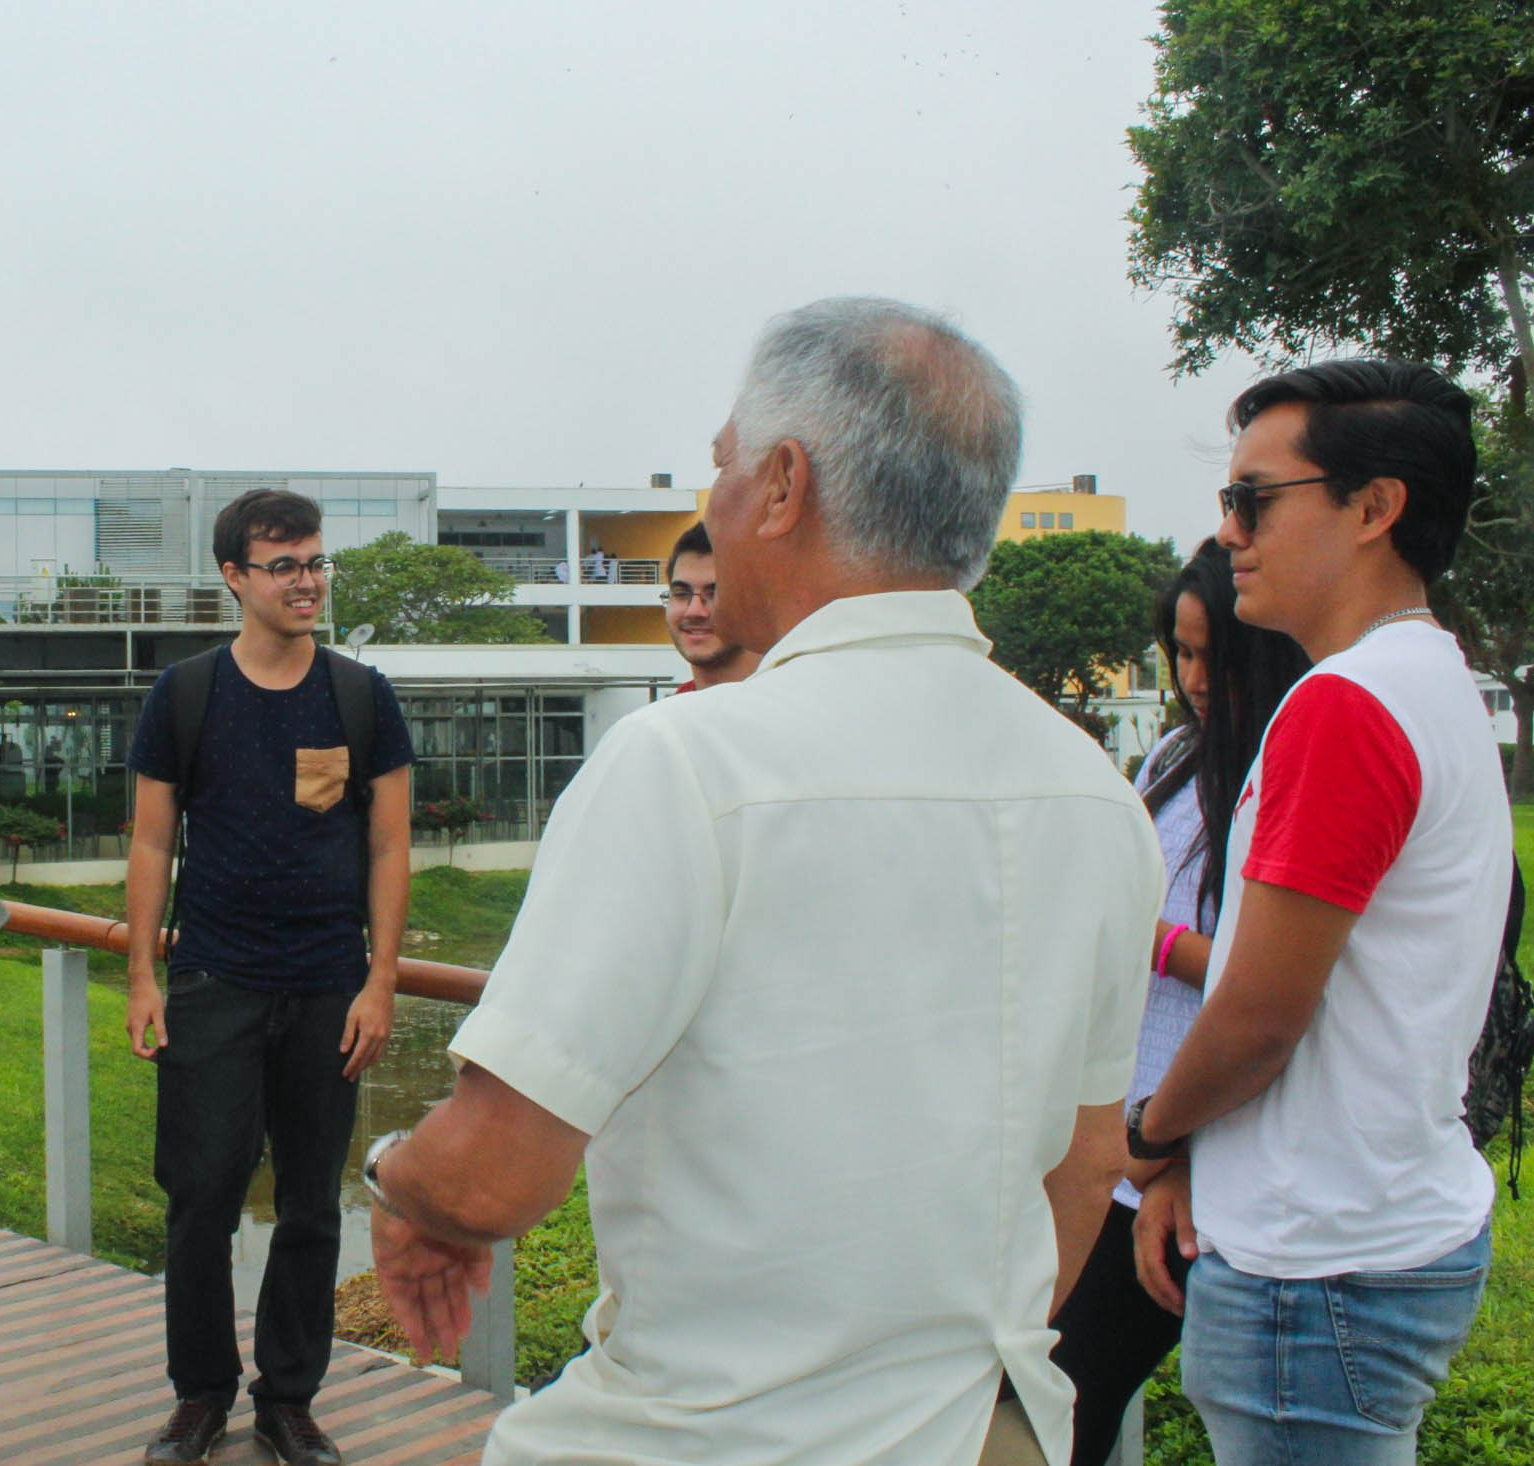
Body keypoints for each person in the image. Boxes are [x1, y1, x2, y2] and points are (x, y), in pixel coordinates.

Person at [366, 297, 1162, 1466]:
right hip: (980, 1430)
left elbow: (488, 1174)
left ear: (785, 485)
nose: (716, 501)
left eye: (724, 465)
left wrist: (401, 1186)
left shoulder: (689, 761)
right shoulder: (1095, 792)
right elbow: (1088, 1163)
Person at [1128, 361, 1514, 1464]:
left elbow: (1259, 1013)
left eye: (1254, 498)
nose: (1230, 531)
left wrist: (1148, 1139)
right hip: (1372, 1226)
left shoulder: (1343, 706)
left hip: (1319, 1271)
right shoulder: (1431, 677)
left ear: (1373, 508)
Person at [122, 488, 414, 1466]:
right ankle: (199, 1390)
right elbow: (152, 839)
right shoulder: (189, 692)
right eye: (283, 564)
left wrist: (379, 984)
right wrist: (140, 975)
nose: (305, 580)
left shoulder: (362, 695)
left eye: (316, 561)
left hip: (329, 983)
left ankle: (288, 1396)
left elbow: (388, 845)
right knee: (201, 1192)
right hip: (213, 975)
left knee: (310, 1202)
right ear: (234, 577)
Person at [1046, 539, 1307, 1466]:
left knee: (1069, 1394)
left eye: (1216, 656)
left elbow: (1267, 980)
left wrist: (1151, 939)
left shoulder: (1283, 771)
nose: (1196, 678)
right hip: (1118, 1130)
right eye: (1182, 654)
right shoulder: (1173, 754)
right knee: (1041, 1390)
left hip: (1188, 1135)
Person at [661, 520, 756, 691]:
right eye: (682, 594)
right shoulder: (673, 712)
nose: (694, 611)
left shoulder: (794, 709)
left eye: (714, 593)